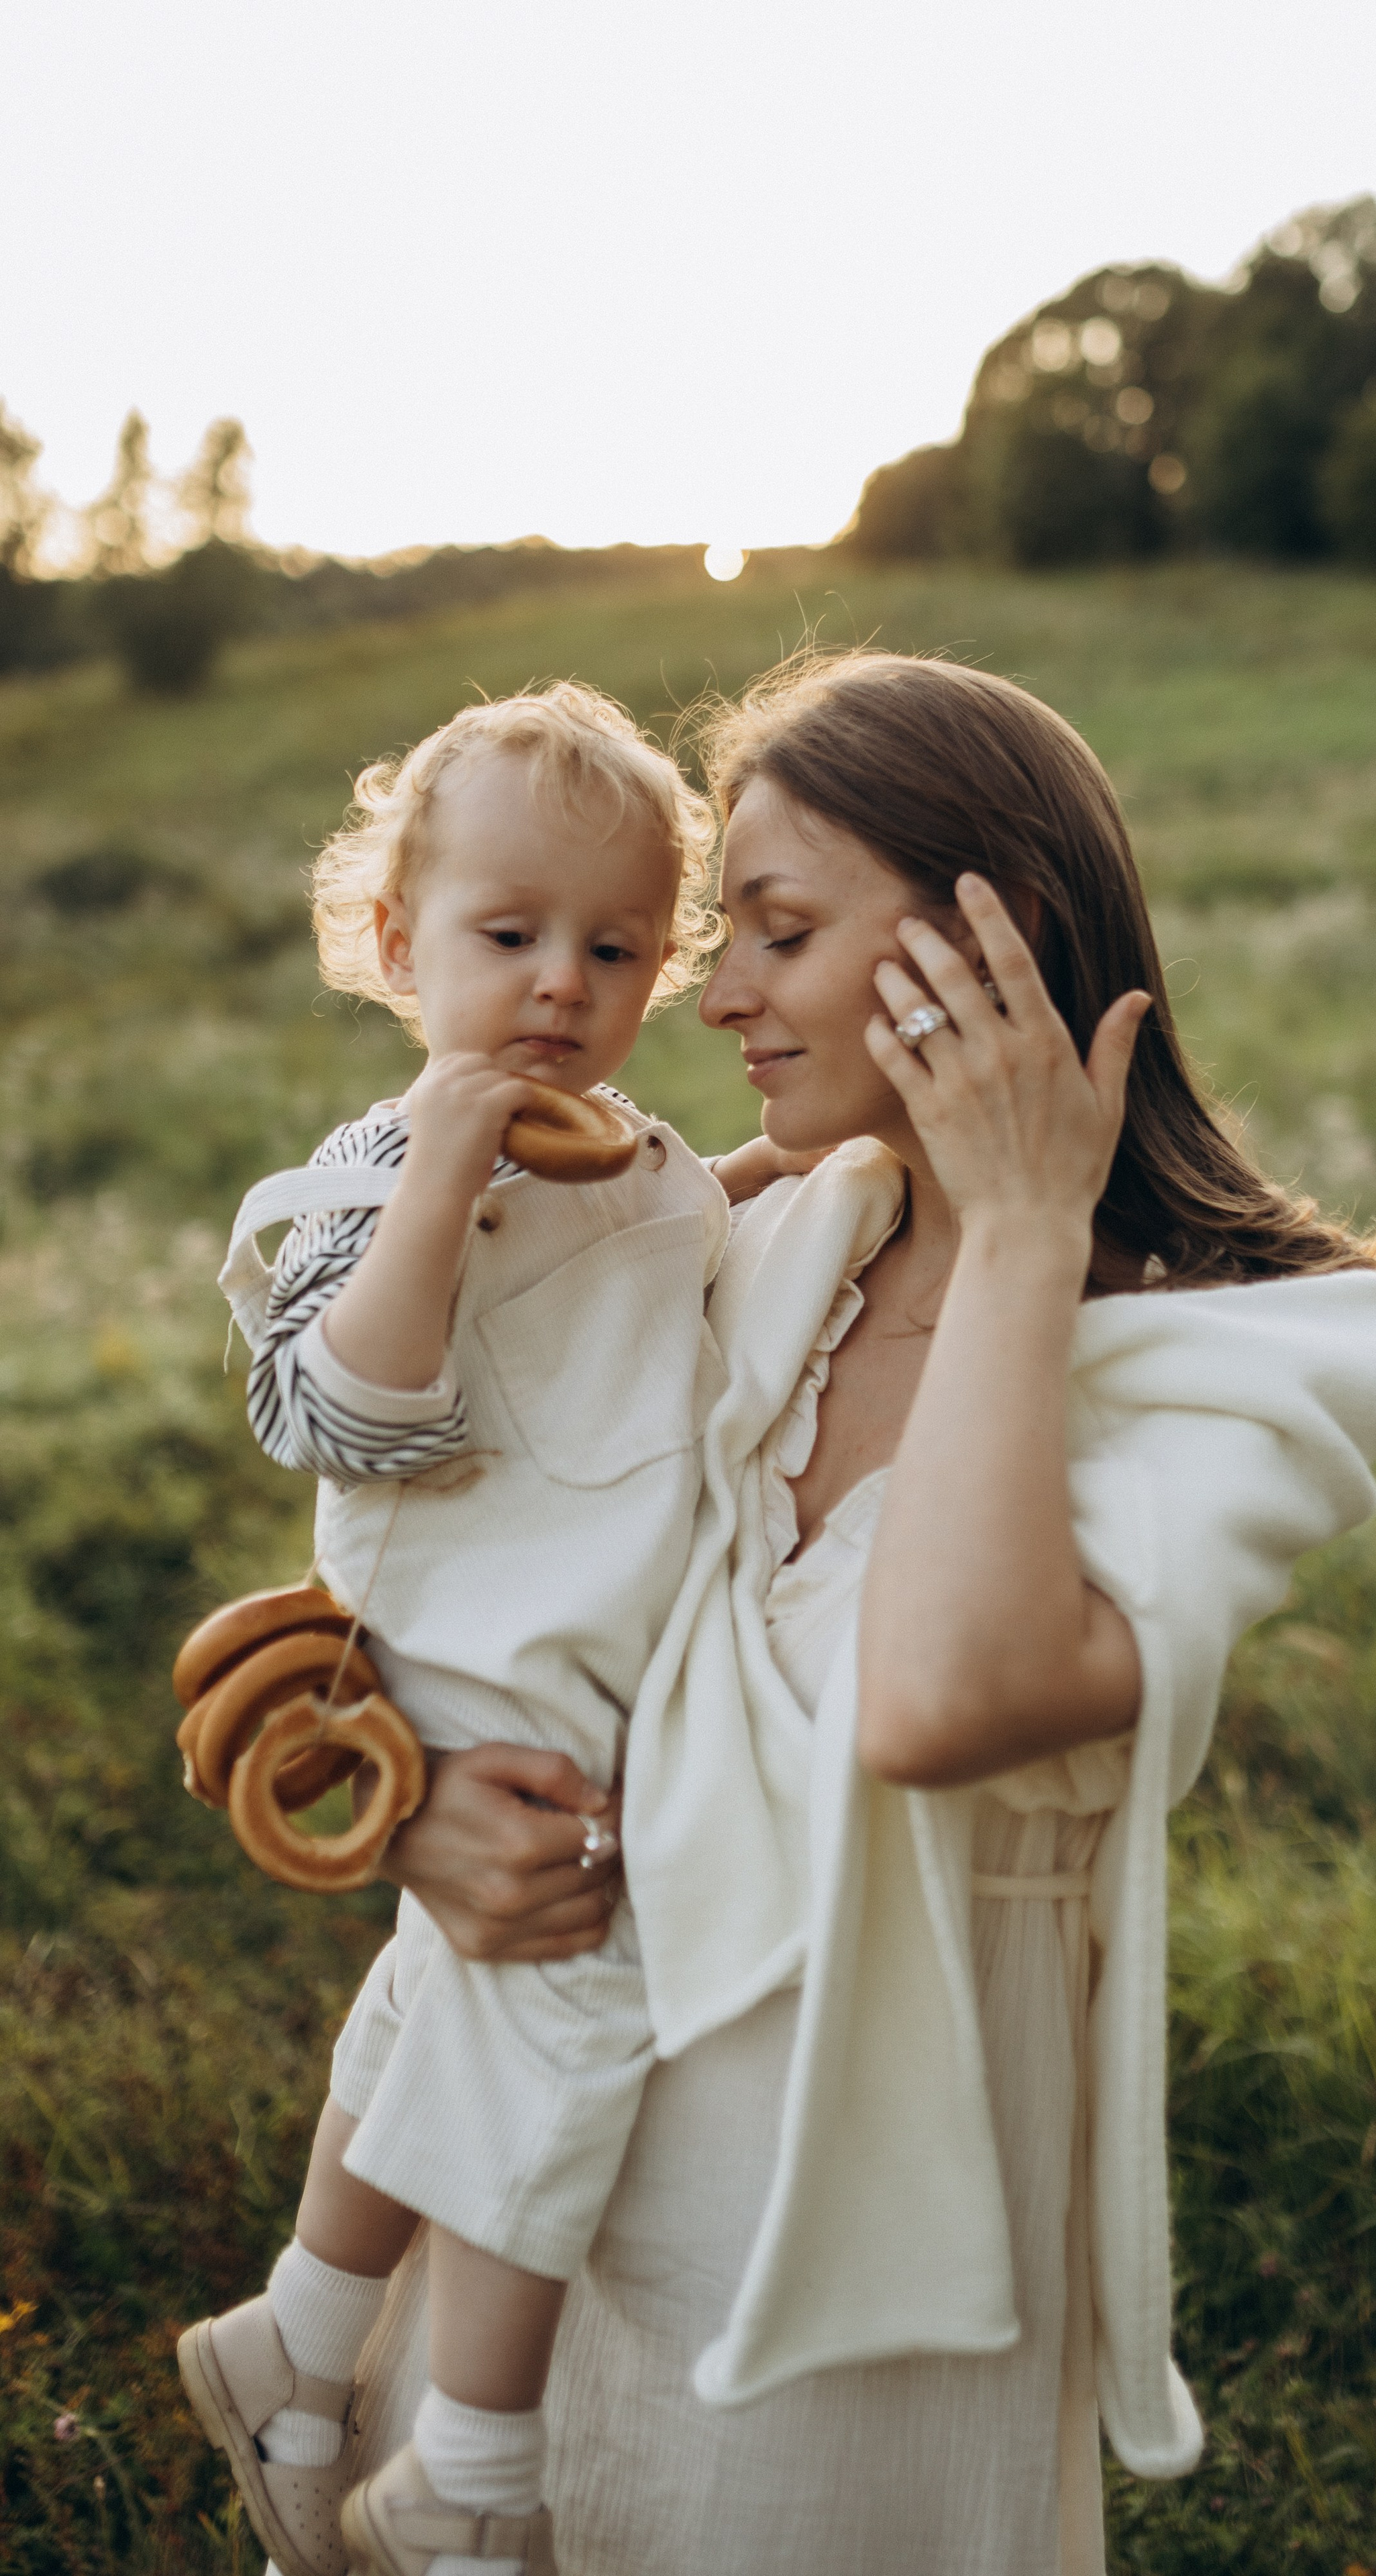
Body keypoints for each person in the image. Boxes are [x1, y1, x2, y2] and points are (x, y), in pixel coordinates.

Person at [348, 651, 1376, 2576]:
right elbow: (445, 1561)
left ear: (978, 951)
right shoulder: (763, 1243)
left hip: (866, 2257)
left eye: (772, 932)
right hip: (546, 2194)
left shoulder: (1235, 1364)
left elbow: (940, 1699)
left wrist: (1020, 1229)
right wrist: (412, 1801)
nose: (713, 992)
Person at [178, 683, 794, 2576]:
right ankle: (477, 2460)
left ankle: (297, 2339)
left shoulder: (640, 1154)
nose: (559, 984)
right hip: (470, 1667)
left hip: (587, 1646)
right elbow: (335, 1414)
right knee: (573, 1996)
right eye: (507, 935)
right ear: (393, 944)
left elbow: (681, 1269)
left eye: (614, 947)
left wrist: (782, 1184)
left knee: (457, 1993)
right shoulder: (388, 1170)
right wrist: (444, 1182)